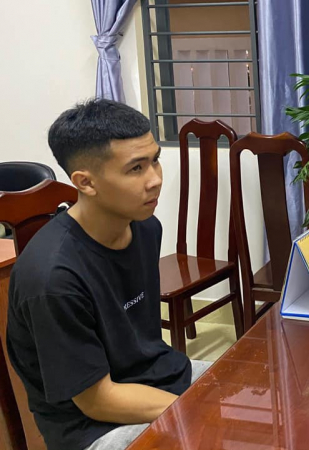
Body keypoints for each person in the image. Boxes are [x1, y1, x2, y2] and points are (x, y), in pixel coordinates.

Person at [6, 99, 210, 450]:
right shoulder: (53, 279)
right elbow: (97, 401)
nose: (155, 180)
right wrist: (195, 411)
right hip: (92, 424)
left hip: (155, 375)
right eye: (136, 169)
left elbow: (142, 342)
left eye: (155, 160)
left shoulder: (145, 228)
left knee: (253, 386)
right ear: (85, 182)